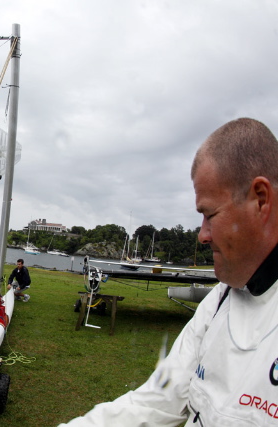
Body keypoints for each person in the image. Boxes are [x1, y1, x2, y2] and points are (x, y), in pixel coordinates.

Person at [60, 118, 278, 426]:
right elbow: (155, 403)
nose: (202, 235)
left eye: (209, 215)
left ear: (261, 198)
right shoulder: (217, 303)